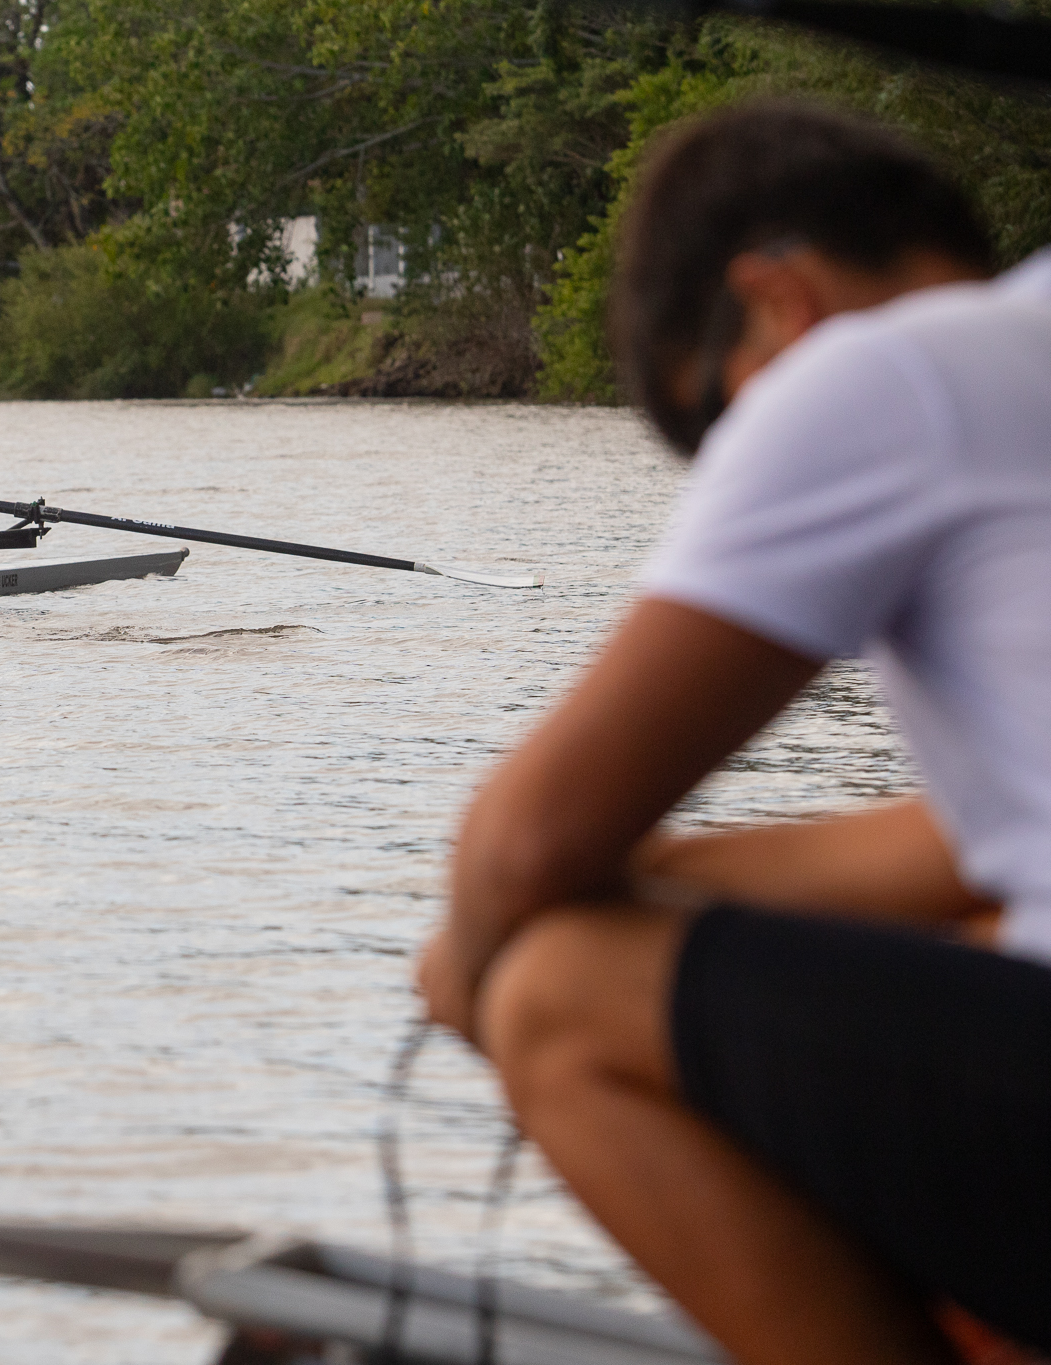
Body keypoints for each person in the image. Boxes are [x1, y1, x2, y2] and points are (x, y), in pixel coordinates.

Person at [417, 100, 1051, 1364]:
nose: (737, 463)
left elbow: (525, 840)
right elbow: (972, 844)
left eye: (722, 420)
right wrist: (644, 880)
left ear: (777, 297)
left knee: (557, 995)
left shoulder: (889, 371)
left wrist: (477, 947)